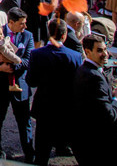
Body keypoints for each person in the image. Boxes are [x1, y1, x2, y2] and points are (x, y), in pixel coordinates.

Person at [26, 18, 83, 166]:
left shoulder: (37, 54)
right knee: (64, 130)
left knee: (42, 142)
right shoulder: (75, 56)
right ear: (64, 36)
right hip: (66, 103)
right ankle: (61, 146)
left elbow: (31, 81)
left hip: (45, 103)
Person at [71, 34, 117, 166]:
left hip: (85, 141)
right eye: (99, 50)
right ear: (88, 52)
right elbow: (109, 115)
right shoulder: (95, 77)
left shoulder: (83, 70)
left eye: (105, 49)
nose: (105, 54)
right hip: (99, 145)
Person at [0, 7, 34, 163]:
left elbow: (28, 60)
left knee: (24, 121)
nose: (25, 27)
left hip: (20, 84)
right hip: (0, 84)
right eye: (22, 24)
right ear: (11, 23)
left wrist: (12, 67)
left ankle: (29, 153)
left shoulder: (28, 36)